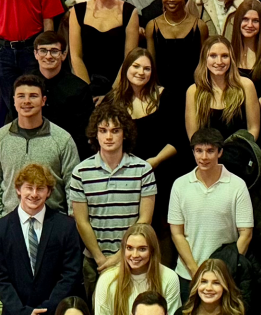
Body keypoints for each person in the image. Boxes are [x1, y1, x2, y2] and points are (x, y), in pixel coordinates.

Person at [103, 49, 189, 265]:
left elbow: (179, 138)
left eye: (146, 68)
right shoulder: (112, 100)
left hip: (162, 172)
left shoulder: (166, 97)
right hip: (125, 176)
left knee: (162, 229)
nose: (141, 72)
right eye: (136, 66)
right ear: (126, 69)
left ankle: (162, 272)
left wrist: (155, 161)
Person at [71, 104, 159, 296]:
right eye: (103, 131)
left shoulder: (143, 170)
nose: (109, 137)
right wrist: (100, 258)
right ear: (95, 134)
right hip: (95, 261)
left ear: (124, 133)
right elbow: (81, 221)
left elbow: (145, 220)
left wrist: (120, 256)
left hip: (134, 259)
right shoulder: (81, 172)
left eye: (115, 130)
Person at [0, 163, 85, 315]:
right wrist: (23, 311)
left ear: (49, 192)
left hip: (55, 311)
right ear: (18, 189)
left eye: (40, 188)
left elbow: (71, 272)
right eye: (29, 187)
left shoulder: (66, 226)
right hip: (16, 312)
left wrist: (47, 308)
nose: (34, 194)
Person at [0, 75, 84, 222]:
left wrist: (70, 222)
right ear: (14, 100)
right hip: (11, 223)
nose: (26, 101)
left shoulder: (62, 139)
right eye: (21, 96)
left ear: (43, 100)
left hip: (53, 222)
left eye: (33, 96)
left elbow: (73, 183)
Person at [168, 128, 255, 290]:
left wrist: (224, 271)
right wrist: (195, 271)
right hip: (187, 274)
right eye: (199, 151)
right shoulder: (180, 185)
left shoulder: (237, 185)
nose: (204, 157)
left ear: (220, 152)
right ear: (193, 152)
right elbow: (177, 233)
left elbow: (246, 234)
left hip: (225, 276)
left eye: (210, 151)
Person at [69, 0, 142, 84]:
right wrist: (88, 90)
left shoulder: (129, 12)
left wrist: (114, 92)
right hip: (86, 85)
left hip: (118, 85)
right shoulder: (77, 11)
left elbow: (128, 59)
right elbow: (76, 57)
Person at [185, 37, 261, 141]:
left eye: (225, 56)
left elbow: (253, 129)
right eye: (213, 56)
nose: (219, 61)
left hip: (240, 148)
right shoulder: (193, 91)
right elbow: (193, 135)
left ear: (231, 59)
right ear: (204, 58)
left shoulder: (246, 86)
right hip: (206, 149)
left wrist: (240, 148)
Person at [93, 224, 184, 315]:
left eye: (142, 249)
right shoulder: (107, 279)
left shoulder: (169, 277)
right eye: (129, 248)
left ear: (152, 250)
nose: (135, 255)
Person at [33, 31, 98, 157]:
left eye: (54, 51)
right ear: (35, 54)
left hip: (68, 152)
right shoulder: (24, 85)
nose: (48, 56)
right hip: (32, 150)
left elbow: (84, 131)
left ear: (63, 55)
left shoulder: (79, 88)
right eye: (43, 51)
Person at [145, 0, 212, 92]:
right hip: (161, 93)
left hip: (193, 91)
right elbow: (151, 66)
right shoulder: (152, 26)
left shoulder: (200, 26)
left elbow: (203, 65)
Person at [176, 259, 248, 315]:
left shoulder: (241, 312)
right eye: (204, 282)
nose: (208, 288)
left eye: (216, 283)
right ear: (196, 285)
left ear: (225, 286)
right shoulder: (182, 313)